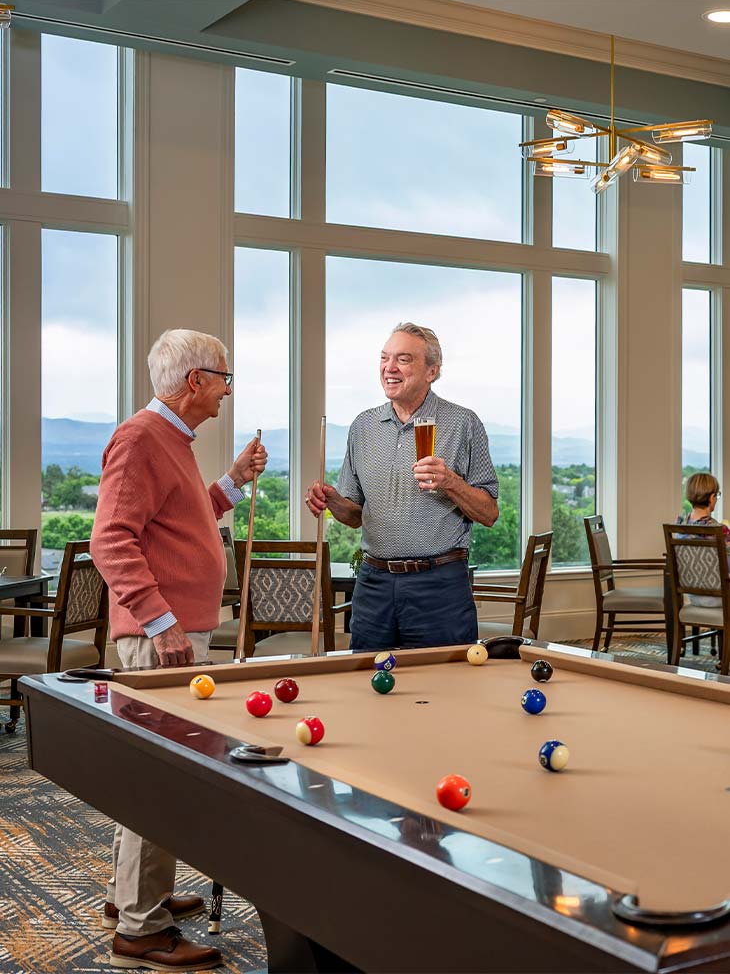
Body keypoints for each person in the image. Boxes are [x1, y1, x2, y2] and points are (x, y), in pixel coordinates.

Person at [90, 329, 267, 972]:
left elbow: (184, 522)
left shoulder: (173, 442)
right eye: (224, 376)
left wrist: (233, 482)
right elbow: (110, 541)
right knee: (157, 780)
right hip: (159, 639)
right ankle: (142, 927)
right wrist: (163, 624)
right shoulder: (140, 438)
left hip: (171, 632)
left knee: (151, 772)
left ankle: (131, 898)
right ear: (195, 380)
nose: (227, 389)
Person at [306, 323, 498, 651]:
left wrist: (451, 482)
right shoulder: (363, 426)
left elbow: (489, 512)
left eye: (403, 359)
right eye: (384, 358)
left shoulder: (463, 423)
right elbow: (354, 516)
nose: (389, 368)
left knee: (442, 686)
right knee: (367, 684)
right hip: (373, 584)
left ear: (432, 371)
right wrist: (334, 501)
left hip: (439, 584)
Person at [676, 472, 730, 607]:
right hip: (721, 596)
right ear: (711, 498)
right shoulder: (718, 529)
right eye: (717, 495)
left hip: (694, 597)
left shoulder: (680, 523)